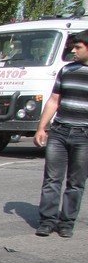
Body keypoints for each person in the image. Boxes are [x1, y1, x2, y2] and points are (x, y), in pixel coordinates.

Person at [35, 30, 88, 238]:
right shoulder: (66, 71)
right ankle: (47, 221)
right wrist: (42, 127)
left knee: (76, 182)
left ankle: (67, 222)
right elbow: (54, 100)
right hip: (59, 131)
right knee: (51, 179)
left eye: (78, 47)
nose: (73, 50)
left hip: (84, 136)